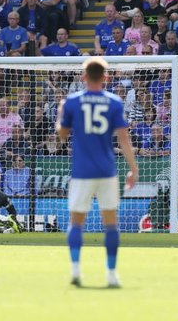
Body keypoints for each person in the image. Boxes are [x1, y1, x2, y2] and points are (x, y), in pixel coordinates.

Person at [56, 57, 139, 288]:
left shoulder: (71, 101)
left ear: (84, 77)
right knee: (111, 223)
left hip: (82, 170)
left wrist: (60, 114)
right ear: (105, 77)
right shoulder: (114, 102)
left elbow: (61, 136)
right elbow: (123, 138)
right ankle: (111, 274)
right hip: (107, 169)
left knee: (77, 222)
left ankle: (75, 270)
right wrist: (133, 167)